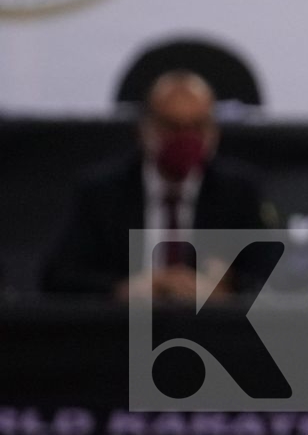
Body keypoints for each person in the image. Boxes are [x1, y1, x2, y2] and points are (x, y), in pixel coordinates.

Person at [40, 71, 274, 299]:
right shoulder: (101, 191)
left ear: (214, 131)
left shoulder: (238, 192)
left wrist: (226, 290)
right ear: (144, 128)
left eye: (197, 127)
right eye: (172, 127)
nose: (185, 140)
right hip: (123, 330)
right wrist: (122, 289)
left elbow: (271, 277)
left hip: (209, 332)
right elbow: (58, 276)